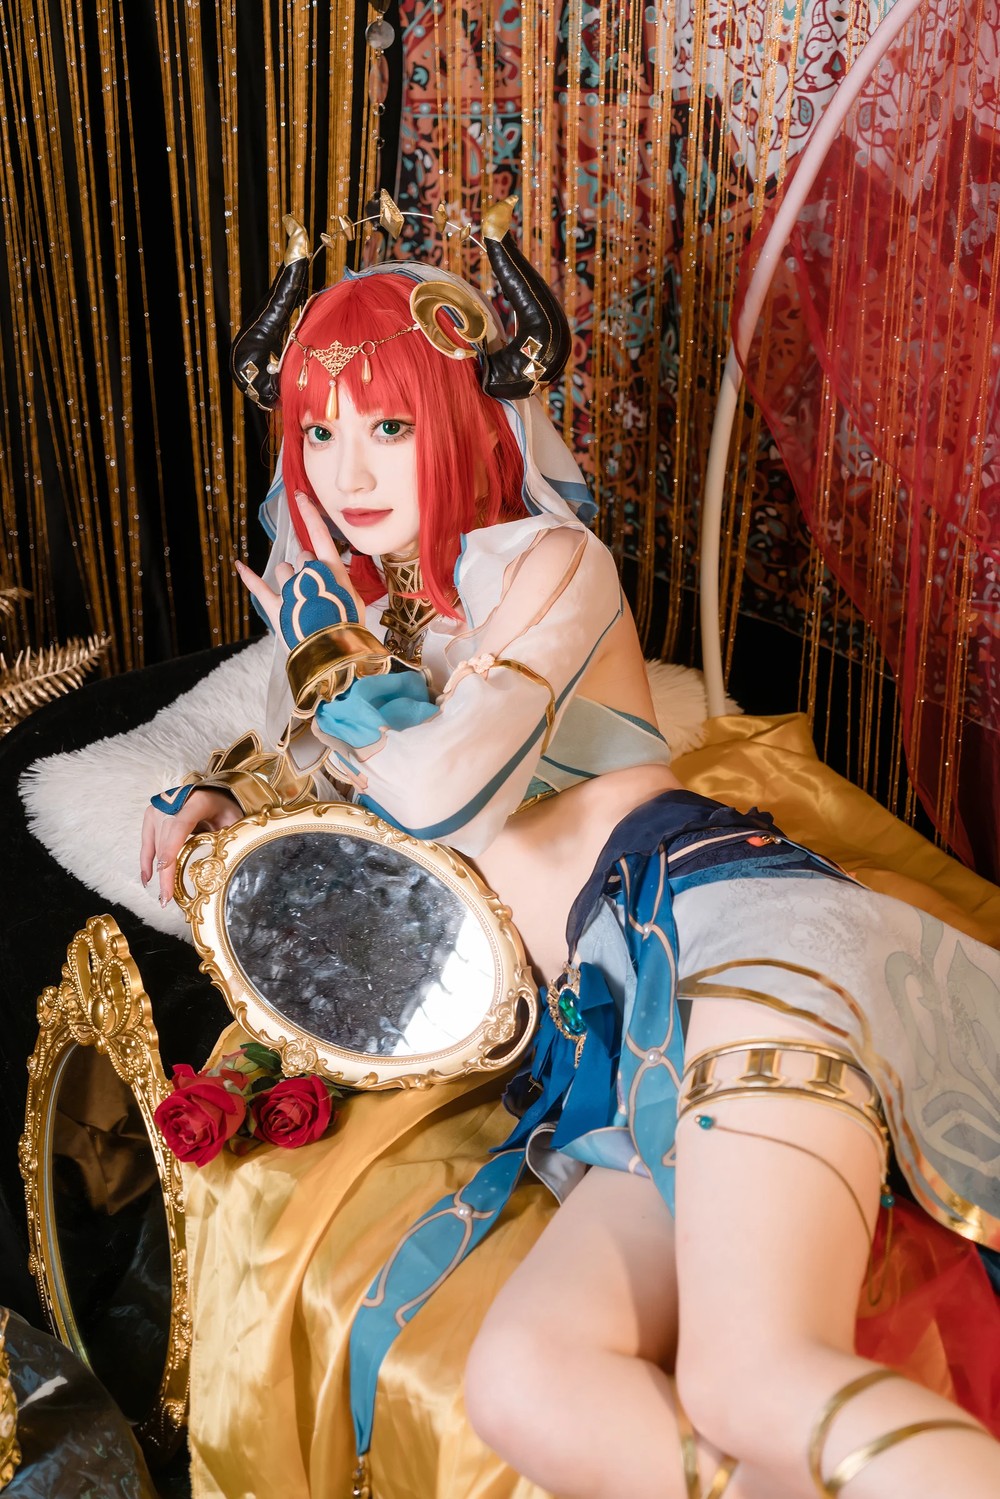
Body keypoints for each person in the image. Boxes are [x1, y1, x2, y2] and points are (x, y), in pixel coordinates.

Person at [140, 209, 1000, 1499]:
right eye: (317, 432)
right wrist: (220, 788)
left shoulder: (548, 562)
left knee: (753, 1376)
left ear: (467, 418)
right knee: (531, 1382)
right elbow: (349, 809)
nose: (345, 471)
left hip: (724, 941)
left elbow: (438, 789)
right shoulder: (395, 622)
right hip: (611, 1030)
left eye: (389, 425)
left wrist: (325, 660)